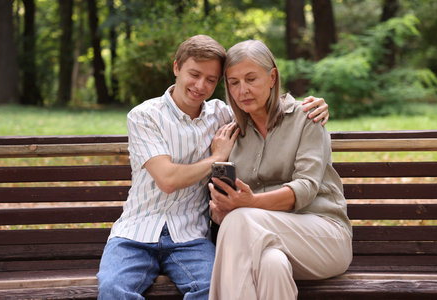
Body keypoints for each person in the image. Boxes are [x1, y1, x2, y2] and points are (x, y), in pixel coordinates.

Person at [97, 35, 330, 300]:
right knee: (113, 289)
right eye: (194, 74)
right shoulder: (145, 115)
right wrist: (215, 158)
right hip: (135, 233)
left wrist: (312, 106)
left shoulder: (223, 115)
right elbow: (167, 179)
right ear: (176, 68)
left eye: (211, 80)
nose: (200, 86)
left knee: (212, 288)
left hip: (190, 237)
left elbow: (261, 104)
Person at [208, 40, 352, 300]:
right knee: (272, 265)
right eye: (234, 82)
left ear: (272, 76)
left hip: (324, 238)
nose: (243, 90)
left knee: (239, 219)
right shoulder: (231, 134)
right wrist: (220, 210)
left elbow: (306, 188)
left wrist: (249, 203)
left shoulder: (307, 118)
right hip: (264, 239)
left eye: (251, 79)